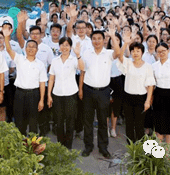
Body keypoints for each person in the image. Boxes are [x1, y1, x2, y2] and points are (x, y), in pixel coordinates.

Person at [81, 30, 121, 159]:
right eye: (94, 38)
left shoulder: (108, 54)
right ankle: (88, 146)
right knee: (87, 120)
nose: (96, 41)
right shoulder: (86, 53)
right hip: (88, 90)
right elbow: (82, 71)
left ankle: (103, 148)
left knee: (103, 121)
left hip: (103, 91)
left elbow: (118, 52)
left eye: (99, 38)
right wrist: (80, 89)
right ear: (91, 40)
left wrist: (113, 36)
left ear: (104, 40)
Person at [112, 31, 155, 144]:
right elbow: (120, 56)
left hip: (141, 99)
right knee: (129, 124)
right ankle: (131, 147)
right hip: (128, 98)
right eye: (133, 51)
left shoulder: (148, 67)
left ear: (142, 52)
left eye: (138, 51)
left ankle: (140, 148)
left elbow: (150, 85)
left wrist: (147, 101)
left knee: (139, 125)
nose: (135, 53)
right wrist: (125, 43)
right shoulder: (128, 63)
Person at [2, 27, 47, 135]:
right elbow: (8, 50)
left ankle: (32, 147)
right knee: (19, 121)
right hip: (20, 94)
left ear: (37, 50)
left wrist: (41, 100)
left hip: (34, 94)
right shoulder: (20, 59)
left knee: (33, 121)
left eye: (33, 47)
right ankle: (20, 145)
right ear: (25, 49)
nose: (31, 49)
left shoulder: (40, 64)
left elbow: (42, 83)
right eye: (29, 47)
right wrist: (6, 37)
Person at [47, 37, 85, 149]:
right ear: (59, 47)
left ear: (70, 47)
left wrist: (78, 55)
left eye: (67, 45)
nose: (64, 47)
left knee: (70, 121)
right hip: (57, 94)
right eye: (62, 45)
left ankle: (68, 146)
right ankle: (60, 145)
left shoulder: (74, 59)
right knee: (58, 121)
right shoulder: (55, 61)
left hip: (71, 94)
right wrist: (49, 95)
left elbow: (82, 68)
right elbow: (51, 79)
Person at [151, 42, 170, 144]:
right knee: (159, 122)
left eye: (163, 51)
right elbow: (152, 83)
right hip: (158, 94)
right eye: (159, 51)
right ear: (156, 53)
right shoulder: (154, 65)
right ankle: (159, 149)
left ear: (168, 51)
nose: (161, 53)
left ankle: (167, 151)